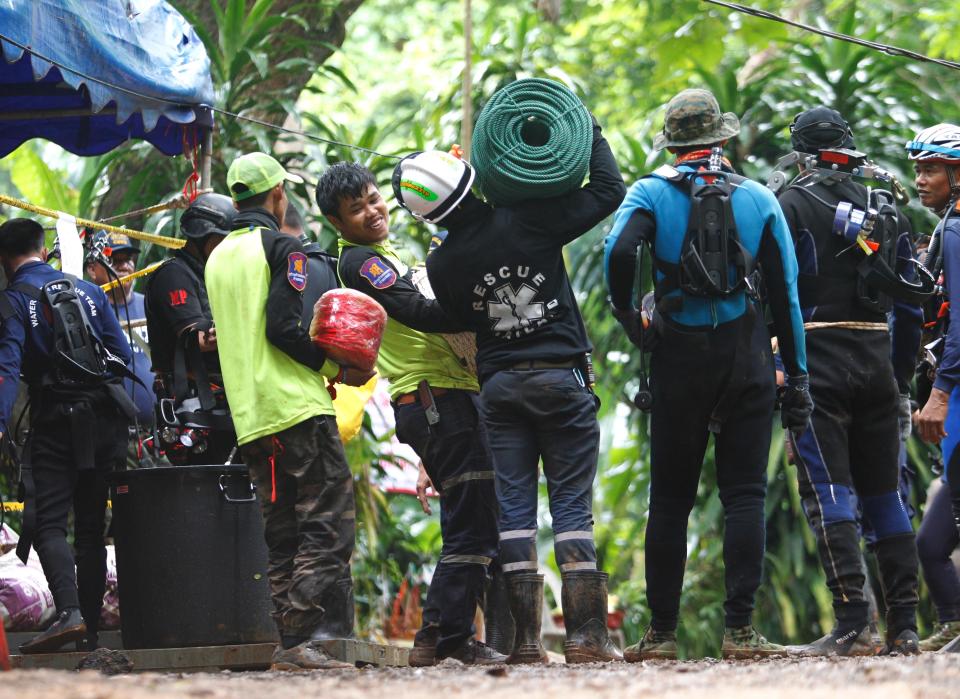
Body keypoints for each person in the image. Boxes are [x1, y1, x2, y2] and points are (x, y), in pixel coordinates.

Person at [397, 114, 627, 665]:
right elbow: (608, 191)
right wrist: (589, 133)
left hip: (499, 389)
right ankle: (586, 639)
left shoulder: (442, 260)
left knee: (517, 511)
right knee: (572, 506)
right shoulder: (528, 219)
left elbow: (447, 315)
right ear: (471, 178)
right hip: (560, 379)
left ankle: (525, 644)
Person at [604, 88, 811, 660]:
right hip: (745, 360)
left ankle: (663, 636)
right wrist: (795, 377)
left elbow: (618, 254)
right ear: (721, 139)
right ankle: (740, 633)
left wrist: (629, 318)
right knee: (744, 495)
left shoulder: (650, 192)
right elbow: (788, 298)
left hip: (677, 359)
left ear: (673, 144)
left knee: (669, 502)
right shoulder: (760, 199)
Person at [316, 162, 503, 665]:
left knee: (473, 518)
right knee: (474, 524)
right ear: (337, 222)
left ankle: (445, 636)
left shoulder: (385, 253)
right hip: (436, 398)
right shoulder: (360, 262)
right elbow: (418, 311)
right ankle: (445, 639)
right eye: (357, 209)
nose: (373, 212)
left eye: (374, 199)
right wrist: (487, 310)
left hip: (444, 398)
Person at [205, 152, 371, 671]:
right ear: (277, 194)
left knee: (282, 533)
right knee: (330, 524)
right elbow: (282, 327)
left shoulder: (215, 258)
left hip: (251, 418)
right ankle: (298, 634)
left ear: (236, 197)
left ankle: (292, 645)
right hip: (296, 407)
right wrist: (335, 368)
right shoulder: (284, 247)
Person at [772, 107, 923, 656]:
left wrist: (784, 368)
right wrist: (900, 378)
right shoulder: (888, 211)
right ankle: (904, 627)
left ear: (801, 149)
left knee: (829, 489)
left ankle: (854, 623)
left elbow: (775, 293)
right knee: (886, 491)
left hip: (817, 361)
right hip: (878, 362)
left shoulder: (786, 204)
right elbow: (910, 307)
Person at [0, 218, 133, 653]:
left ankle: (69, 613)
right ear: (43, 249)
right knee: (92, 529)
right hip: (104, 420)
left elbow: (6, 368)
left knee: (49, 523)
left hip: (56, 421)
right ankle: (90, 641)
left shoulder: (16, 298)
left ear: (5, 260)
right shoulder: (89, 291)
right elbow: (122, 355)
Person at [910, 123, 960, 652]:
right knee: (933, 540)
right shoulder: (946, 225)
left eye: (930, 170)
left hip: (956, 392)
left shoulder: (956, 231)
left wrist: (941, 392)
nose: (920, 179)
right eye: (918, 169)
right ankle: (953, 623)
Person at [144, 193, 237, 465]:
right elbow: (198, 339)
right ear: (204, 237)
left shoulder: (211, 274)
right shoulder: (174, 275)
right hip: (194, 405)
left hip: (220, 403)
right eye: (224, 239)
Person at [84, 232, 155, 432]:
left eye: (128, 260)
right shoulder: (87, 311)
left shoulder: (149, 304)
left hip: (157, 430)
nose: (124, 266)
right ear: (92, 269)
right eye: (115, 261)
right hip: (111, 431)